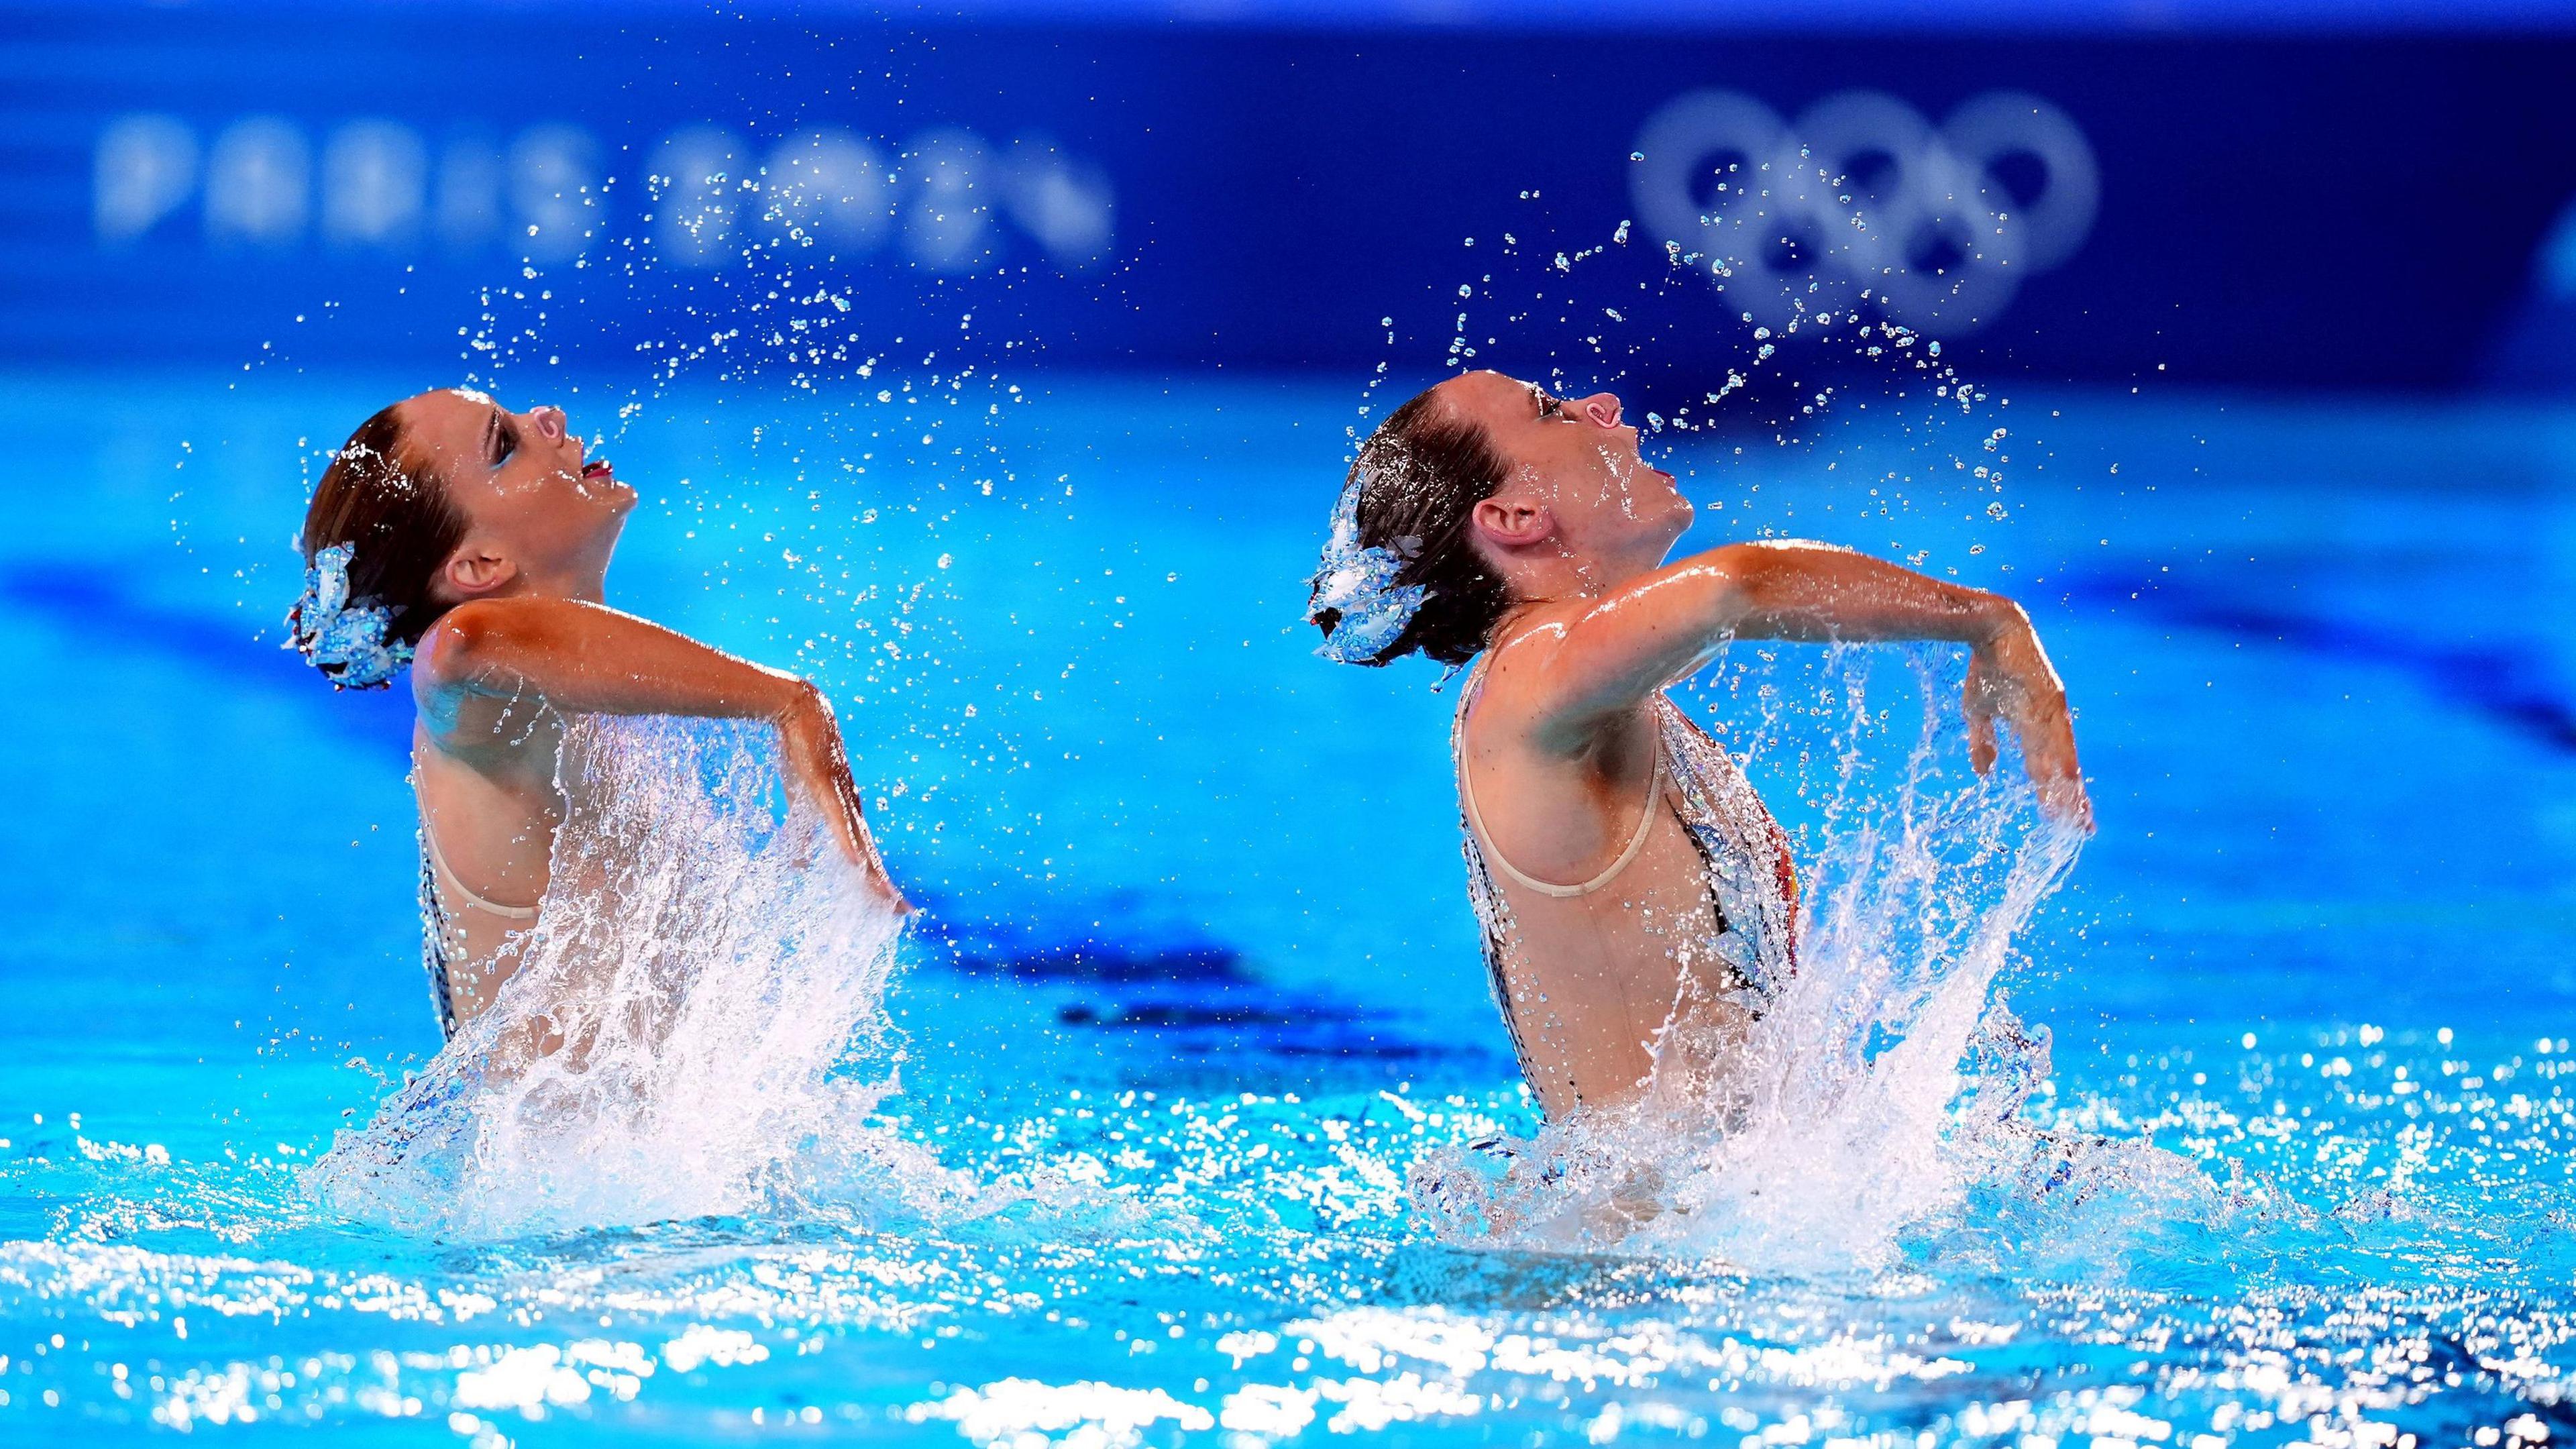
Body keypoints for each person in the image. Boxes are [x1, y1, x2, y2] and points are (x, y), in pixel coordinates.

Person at [1309, 370, 2088, 1124]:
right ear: (1513, 517)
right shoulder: (1528, 680)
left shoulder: (1595, 694)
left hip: (1679, 1230)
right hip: (1638, 1250)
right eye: (1549, 409)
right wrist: (1987, 620)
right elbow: (1733, 588)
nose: (1600, 403)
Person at [290, 387, 906, 1046]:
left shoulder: (569, 699)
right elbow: (465, 645)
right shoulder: (473, 704)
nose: (548, 416)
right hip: (554, 1150)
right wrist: (788, 703)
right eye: (505, 447)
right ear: (479, 565)